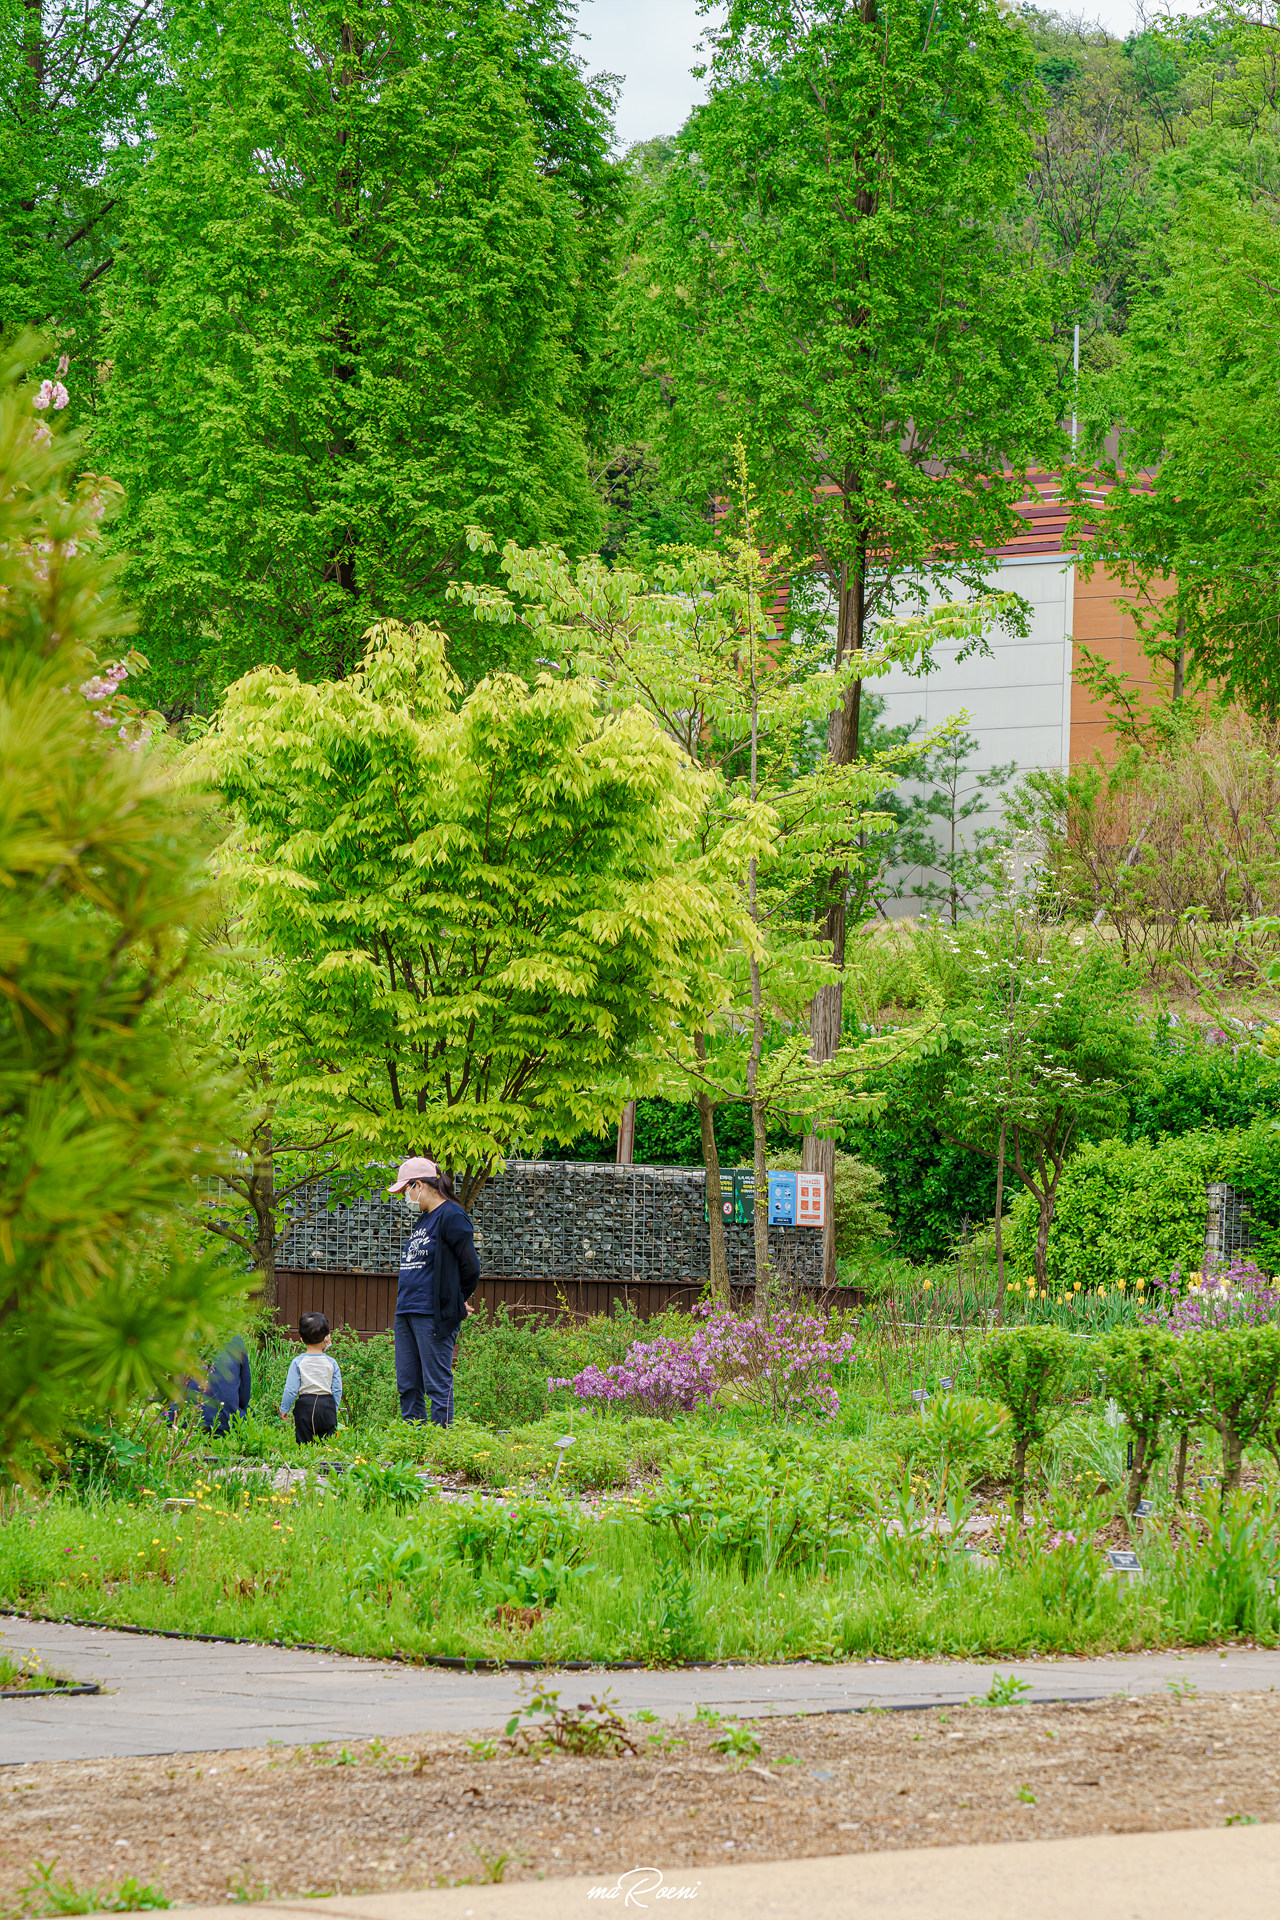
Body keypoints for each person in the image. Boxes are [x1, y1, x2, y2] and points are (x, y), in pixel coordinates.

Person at [387, 1156, 480, 1426]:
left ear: (419, 1185)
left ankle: (439, 1451)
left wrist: (455, 1300)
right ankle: (414, 1445)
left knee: (437, 1385)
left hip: (432, 1313)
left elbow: (470, 1268)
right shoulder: (425, 1219)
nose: (406, 1197)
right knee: (407, 1384)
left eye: (406, 1190)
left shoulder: (451, 1215)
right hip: (406, 1310)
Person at [166, 1333, 251, 1435]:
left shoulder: (181, 1335)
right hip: (226, 1425)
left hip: (183, 1423)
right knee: (248, 1412)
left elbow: (168, 1388)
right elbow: (244, 1396)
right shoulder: (236, 1339)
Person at [279, 1311, 343, 1443]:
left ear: (301, 1338)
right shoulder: (332, 1362)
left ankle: (305, 1462)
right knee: (328, 1443)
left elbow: (291, 1389)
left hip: (304, 1405)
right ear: (326, 1337)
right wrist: (334, 1408)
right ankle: (327, 1461)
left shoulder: (298, 1362)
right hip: (326, 1405)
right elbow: (337, 1389)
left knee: (304, 1443)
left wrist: (284, 1408)